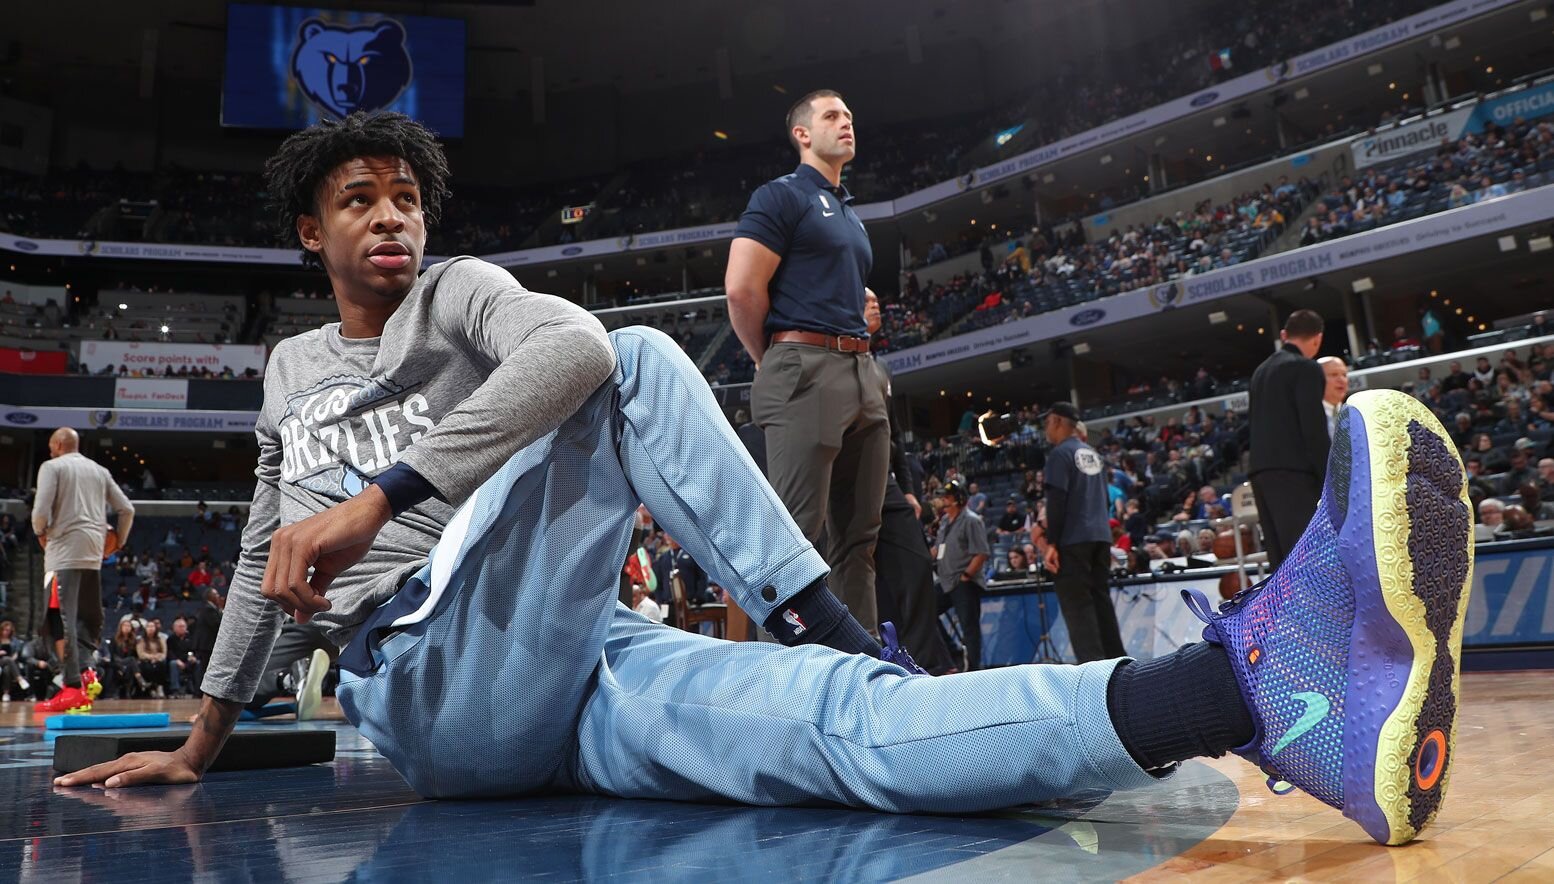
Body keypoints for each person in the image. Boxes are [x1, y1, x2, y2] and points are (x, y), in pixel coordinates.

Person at [55, 112, 1472, 852]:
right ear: (310, 230)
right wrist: (204, 735)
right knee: (634, 361)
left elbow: (551, 358)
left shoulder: (464, 298)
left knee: (844, 732)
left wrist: (379, 499)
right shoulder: (292, 374)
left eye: (406, 197)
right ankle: (821, 617)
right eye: (359, 200)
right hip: (435, 678)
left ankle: (1264, 704)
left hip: (576, 661)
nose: (390, 217)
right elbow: (256, 557)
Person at [727, 89, 889, 640]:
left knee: (860, 542)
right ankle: (775, 687)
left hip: (861, 368)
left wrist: (858, 313)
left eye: (848, 114)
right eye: (831, 116)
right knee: (795, 538)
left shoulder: (849, 212)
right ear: (802, 134)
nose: (846, 123)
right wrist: (773, 357)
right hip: (804, 367)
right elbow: (742, 289)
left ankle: (867, 679)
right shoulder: (782, 196)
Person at [29, 426, 136, 712]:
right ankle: (87, 671)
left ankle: (73, 686)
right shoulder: (99, 471)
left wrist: (40, 530)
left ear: (60, 444)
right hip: (93, 552)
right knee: (87, 618)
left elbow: (40, 511)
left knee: (56, 620)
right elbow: (127, 509)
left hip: (62, 552)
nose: (50, 451)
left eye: (52, 446)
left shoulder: (52, 467)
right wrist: (117, 543)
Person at [1041, 401, 1127, 664]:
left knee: (1078, 607)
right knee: (1101, 602)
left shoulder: (1059, 454)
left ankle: (1093, 673)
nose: (1046, 429)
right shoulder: (1094, 454)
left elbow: (1057, 500)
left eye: (1047, 423)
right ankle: (1119, 666)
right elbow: (1104, 499)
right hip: (1100, 536)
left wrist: (1051, 543)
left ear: (1056, 421)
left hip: (1072, 539)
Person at [1249, 310, 1330, 569]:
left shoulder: (1260, 371)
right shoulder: (1305, 368)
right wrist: (1330, 478)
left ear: (1284, 335)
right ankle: (1312, 611)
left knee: (1280, 560)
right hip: (1294, 472)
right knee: (1305, 558)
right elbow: (1313, 427)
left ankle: (1283, 610)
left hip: (1261, 472)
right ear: (1317, 339)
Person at [932, 481, 990, 671]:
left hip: (964, 582)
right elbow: (938, 549)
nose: (943, 501)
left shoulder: (971, 520)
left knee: (969, 627)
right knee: (925, 611)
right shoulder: (944, 523)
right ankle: (954, 654)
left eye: (947, 498)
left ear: (959, 499)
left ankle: (973, 669)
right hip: (946, 581)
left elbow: (981, 553)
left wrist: (967, 575)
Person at [1318, 356, 1349, 439]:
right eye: (1334, 374)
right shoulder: (1307, 418)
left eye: (1344, 375)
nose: (1341, 379)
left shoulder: (1355, 415)